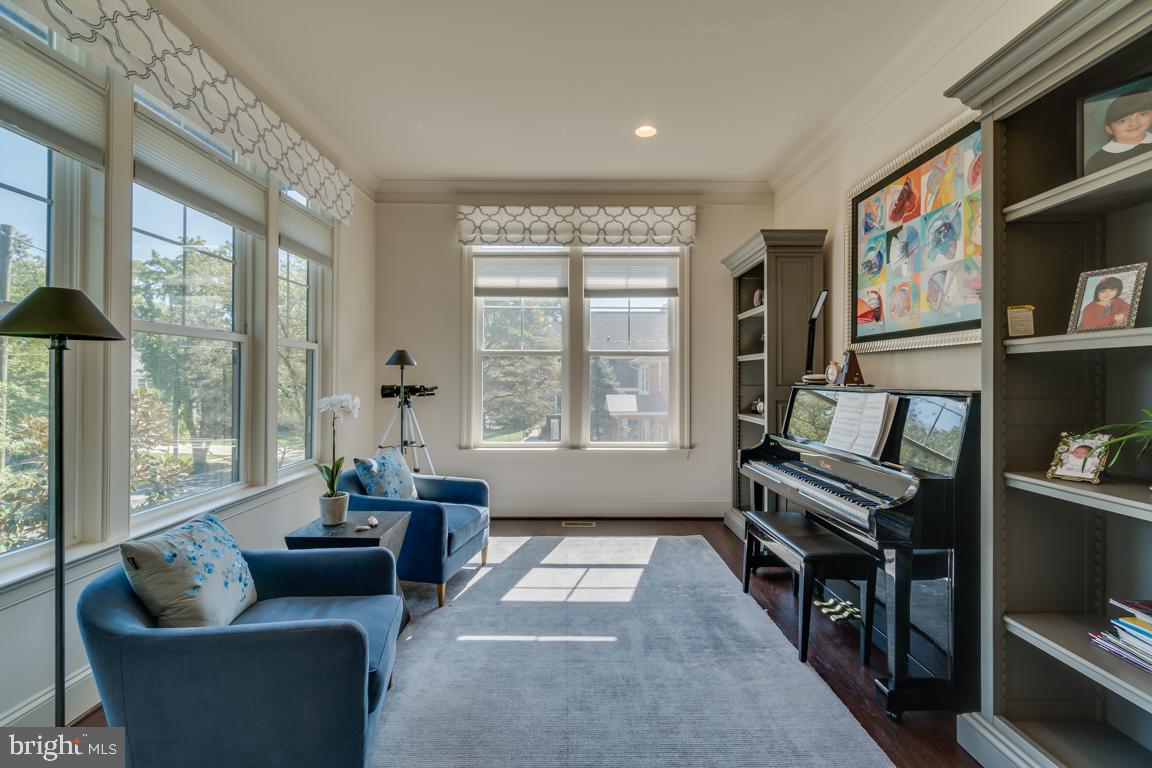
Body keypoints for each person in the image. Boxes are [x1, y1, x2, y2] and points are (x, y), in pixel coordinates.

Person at [1084, 91, 1152, 174]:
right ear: (1109, 129)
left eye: (1142, 114)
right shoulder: (1096, 162)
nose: (1134, 123)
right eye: (1123, 121)